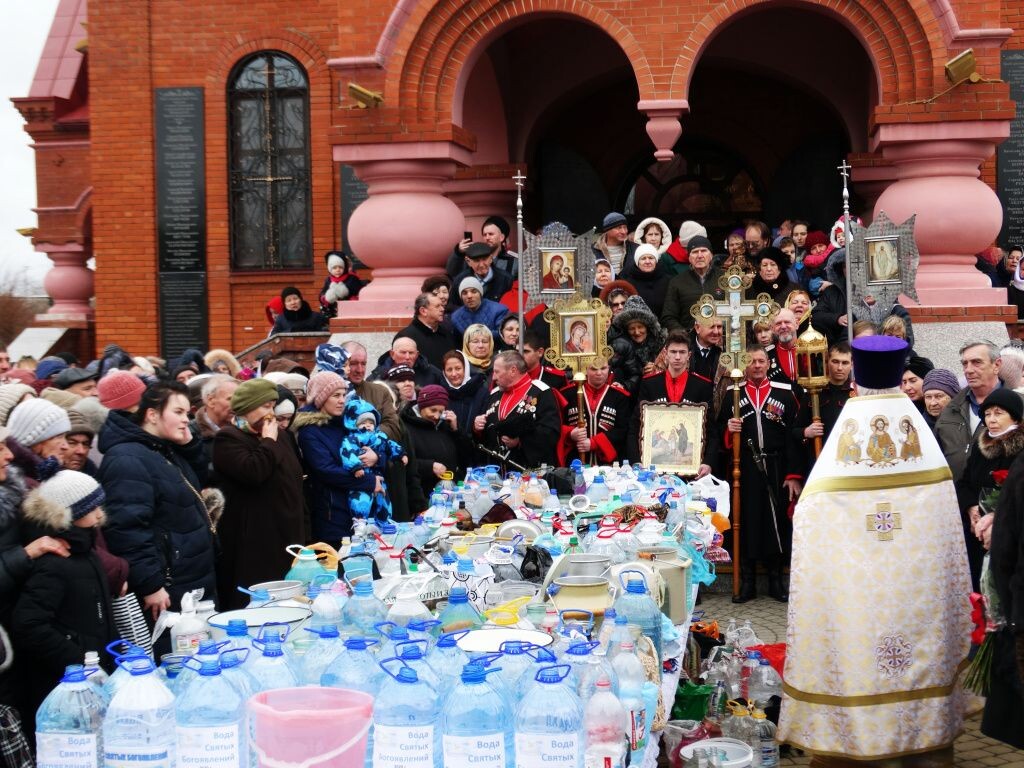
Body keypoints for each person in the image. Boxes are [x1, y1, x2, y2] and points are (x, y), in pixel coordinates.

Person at [779, 335, 972, 762]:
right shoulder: (920, 441)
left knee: (857, 649)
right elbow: (945, 525)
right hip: (915, 589)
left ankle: (854, 740)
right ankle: (925, 739)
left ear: (859, 379)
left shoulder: (844, 441)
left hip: (858, 594)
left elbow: (810, 519)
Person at [98, 381, 217, 622]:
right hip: (167, 585)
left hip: (190, 577)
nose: (186, 420)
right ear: (152, 414)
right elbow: (126, 528)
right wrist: (150, 584)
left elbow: (195, 481)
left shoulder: (164, 448)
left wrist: (190, 446)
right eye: (178, 412)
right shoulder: (127, 459)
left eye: (188, 413)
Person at [13, 466, 116, 719]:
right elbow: (29, 624)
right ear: (68, 514)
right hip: (65, 688)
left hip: (93, 675)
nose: (99, 514)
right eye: (91, 508)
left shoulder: (85, 551)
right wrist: (78, 660)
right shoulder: (55, 562)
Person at [212, 379, 305, 610]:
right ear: (248, 407)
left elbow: (295, 481)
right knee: (258, 603)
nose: (271, 413)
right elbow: (254, 472)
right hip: (254, 540)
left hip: (288, 533)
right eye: (265, 406)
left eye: (273, 406)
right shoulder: (228, 438)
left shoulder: (280, 436)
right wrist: (268, 441)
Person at [723, 345, 804, 603]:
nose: (757, 365)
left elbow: (794, 435)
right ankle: (747, 582)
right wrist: (729, 429)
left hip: (777, 464)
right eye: (752, 361)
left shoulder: (785, 393)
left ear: (768, 364)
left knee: (777, 522)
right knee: (747, 520)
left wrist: (793, 473)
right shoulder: (733, 394)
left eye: (761, 361)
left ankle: (775, 579)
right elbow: (718, 433)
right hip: (745, 467)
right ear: (745, 365)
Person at [293, 372, 380, 542]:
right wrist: (369, 482)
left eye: (343, 395)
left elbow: (375, 443)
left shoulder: (346, 423)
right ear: (321, 398)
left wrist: (376, 457)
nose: (342, 400)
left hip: (362, 509)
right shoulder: (310, 431)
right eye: (336, 395)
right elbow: (325, 471)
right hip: (332, 514)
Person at [956, 387, 1024, 592]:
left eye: (998, 413)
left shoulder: (1020, 449)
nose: (991, 419)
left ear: (1014, 418)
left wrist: (996, 516)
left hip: (1010, 535)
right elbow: (964, 482)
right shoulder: (980, 446)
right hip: (978, 533)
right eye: (987, 413)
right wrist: (971, 507)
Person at [627, 330, 717, 473]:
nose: (677, 357)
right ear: (665, 354)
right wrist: (636, 461)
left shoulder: (702, 386)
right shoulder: (650, 384)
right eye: (673, 352)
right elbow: (635, 425)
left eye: (682, 352)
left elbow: (711, 430)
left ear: (689, 355)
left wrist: (708, 463)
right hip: (652, 471)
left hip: (693, 470)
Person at [473, 350, 560, 470]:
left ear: (513, 370)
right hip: (496, 472)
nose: (493, 377)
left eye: (497, 372)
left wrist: (521, 442)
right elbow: (485, 437)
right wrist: (477, 428)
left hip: (529, 472)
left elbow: (551, 432)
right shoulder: (494, 394)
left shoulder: (541, 392)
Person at [936, 340, 1003, 483]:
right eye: (965, 364)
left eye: (976, 362)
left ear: (996, 365)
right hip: (955, 498)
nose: (968, 370)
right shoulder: (951, 408)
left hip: (999, 500)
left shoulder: (1018, 406)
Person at [338, 398, 405, 524]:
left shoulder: (379, 436)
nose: (368, 425)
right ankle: (359, 522)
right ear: (354, 423)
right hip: (361, 476)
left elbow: (389, 445)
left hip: (379, 476)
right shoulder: (352, 438)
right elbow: (347, 451)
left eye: (371, 422)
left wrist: (400, 454)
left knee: (383, 499)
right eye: (363, 422)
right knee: (360, 500)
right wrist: (356, 467)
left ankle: (384, 522)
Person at [558, 359, 632, 466]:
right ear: (585, 369)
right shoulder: (567, 394)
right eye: (593, 369)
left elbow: (622, 430)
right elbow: (556, 425)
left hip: (608, 463)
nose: (599, 373)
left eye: (603, 368)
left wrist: (595, 443)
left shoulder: (619, 396)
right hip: (575, 460)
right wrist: (570, 433)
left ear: (609, 369)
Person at [401, 385, 467, 498]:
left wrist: (456, 430)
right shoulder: (406, 427)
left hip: (450, 492)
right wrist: (429, 466)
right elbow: (403, 462)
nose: (436, 416)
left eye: (441, 411)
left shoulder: (446, 424)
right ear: (422, 406)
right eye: (433, 410)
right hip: (423, 495)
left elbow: (466, 456)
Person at [660, 236, 725, 332]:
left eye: (703, 251)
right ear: (689, 258)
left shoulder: (725, 279)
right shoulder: (677, 282)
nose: (699, 255)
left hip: (721, 338)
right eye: (694, 252)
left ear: (711, 255)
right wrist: (685, 336)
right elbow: (668, 317)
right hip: (690, 342)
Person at [342, 341, 401, 441]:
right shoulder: (330, 393)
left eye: (363, 364)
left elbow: (393, 427)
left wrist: (368, 437)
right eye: (353, 363)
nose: (360, 370)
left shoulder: (380, 392)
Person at [393, 292, 458, 368]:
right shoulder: (406, 337)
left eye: (442, 306)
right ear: (423, 311)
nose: (442, 309)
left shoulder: (446, 334)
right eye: (437, 306)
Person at [447, 216, 517, 280]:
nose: (487, 238)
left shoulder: (513, 262)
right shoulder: (472, 258)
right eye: (484, 235)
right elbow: (452, 272)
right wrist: (458, 252)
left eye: (491, 234)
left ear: (501, 237)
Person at [613, 296, 666, 381]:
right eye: (632, 328)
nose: (637, 332)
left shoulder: (661, 345)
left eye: (640, 327)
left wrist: (658, 369)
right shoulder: (621, 348)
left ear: (647, 327)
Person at [450, 242, 513, 307]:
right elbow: (452, 307)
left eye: (484, 259)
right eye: (477, 261)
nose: (481, 265)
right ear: (468, 261)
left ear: (491, 259)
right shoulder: (460, 281)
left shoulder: (506, 279)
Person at [440, 351, 488, 437]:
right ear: (444, 372)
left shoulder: (481, 393)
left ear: (466, 368)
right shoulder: (439, 393)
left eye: (458, 368)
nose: (454, 374)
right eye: (449, 370)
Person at [370, 337, 444, 388]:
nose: (407, 357)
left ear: (417, 355)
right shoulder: (378, 376)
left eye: (411, 353)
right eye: (403, 352)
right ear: (392, 354)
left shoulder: (432, 373)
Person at [626, 244, 670, 318]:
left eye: (651, 258)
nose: (647, 261)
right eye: (643, 258)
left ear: (656, 260)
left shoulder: (668, 281)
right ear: (637, 262)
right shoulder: (628, 284)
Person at [318, 251, 364, 318]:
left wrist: (346, 295)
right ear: (330, 269)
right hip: (332, 312)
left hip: (349, 311)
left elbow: (359, 292)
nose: (338, 270)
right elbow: (322, 293)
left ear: (344, 267)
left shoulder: (352, 279)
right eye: (334, 268)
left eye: (340, 267)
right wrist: (326, 298)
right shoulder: (328, 280)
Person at [593, 212, 638, 276]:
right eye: (619, 228)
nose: (623, 231)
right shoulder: (592, 250)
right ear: (607, 230)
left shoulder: (635, 249)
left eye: (625, 227)